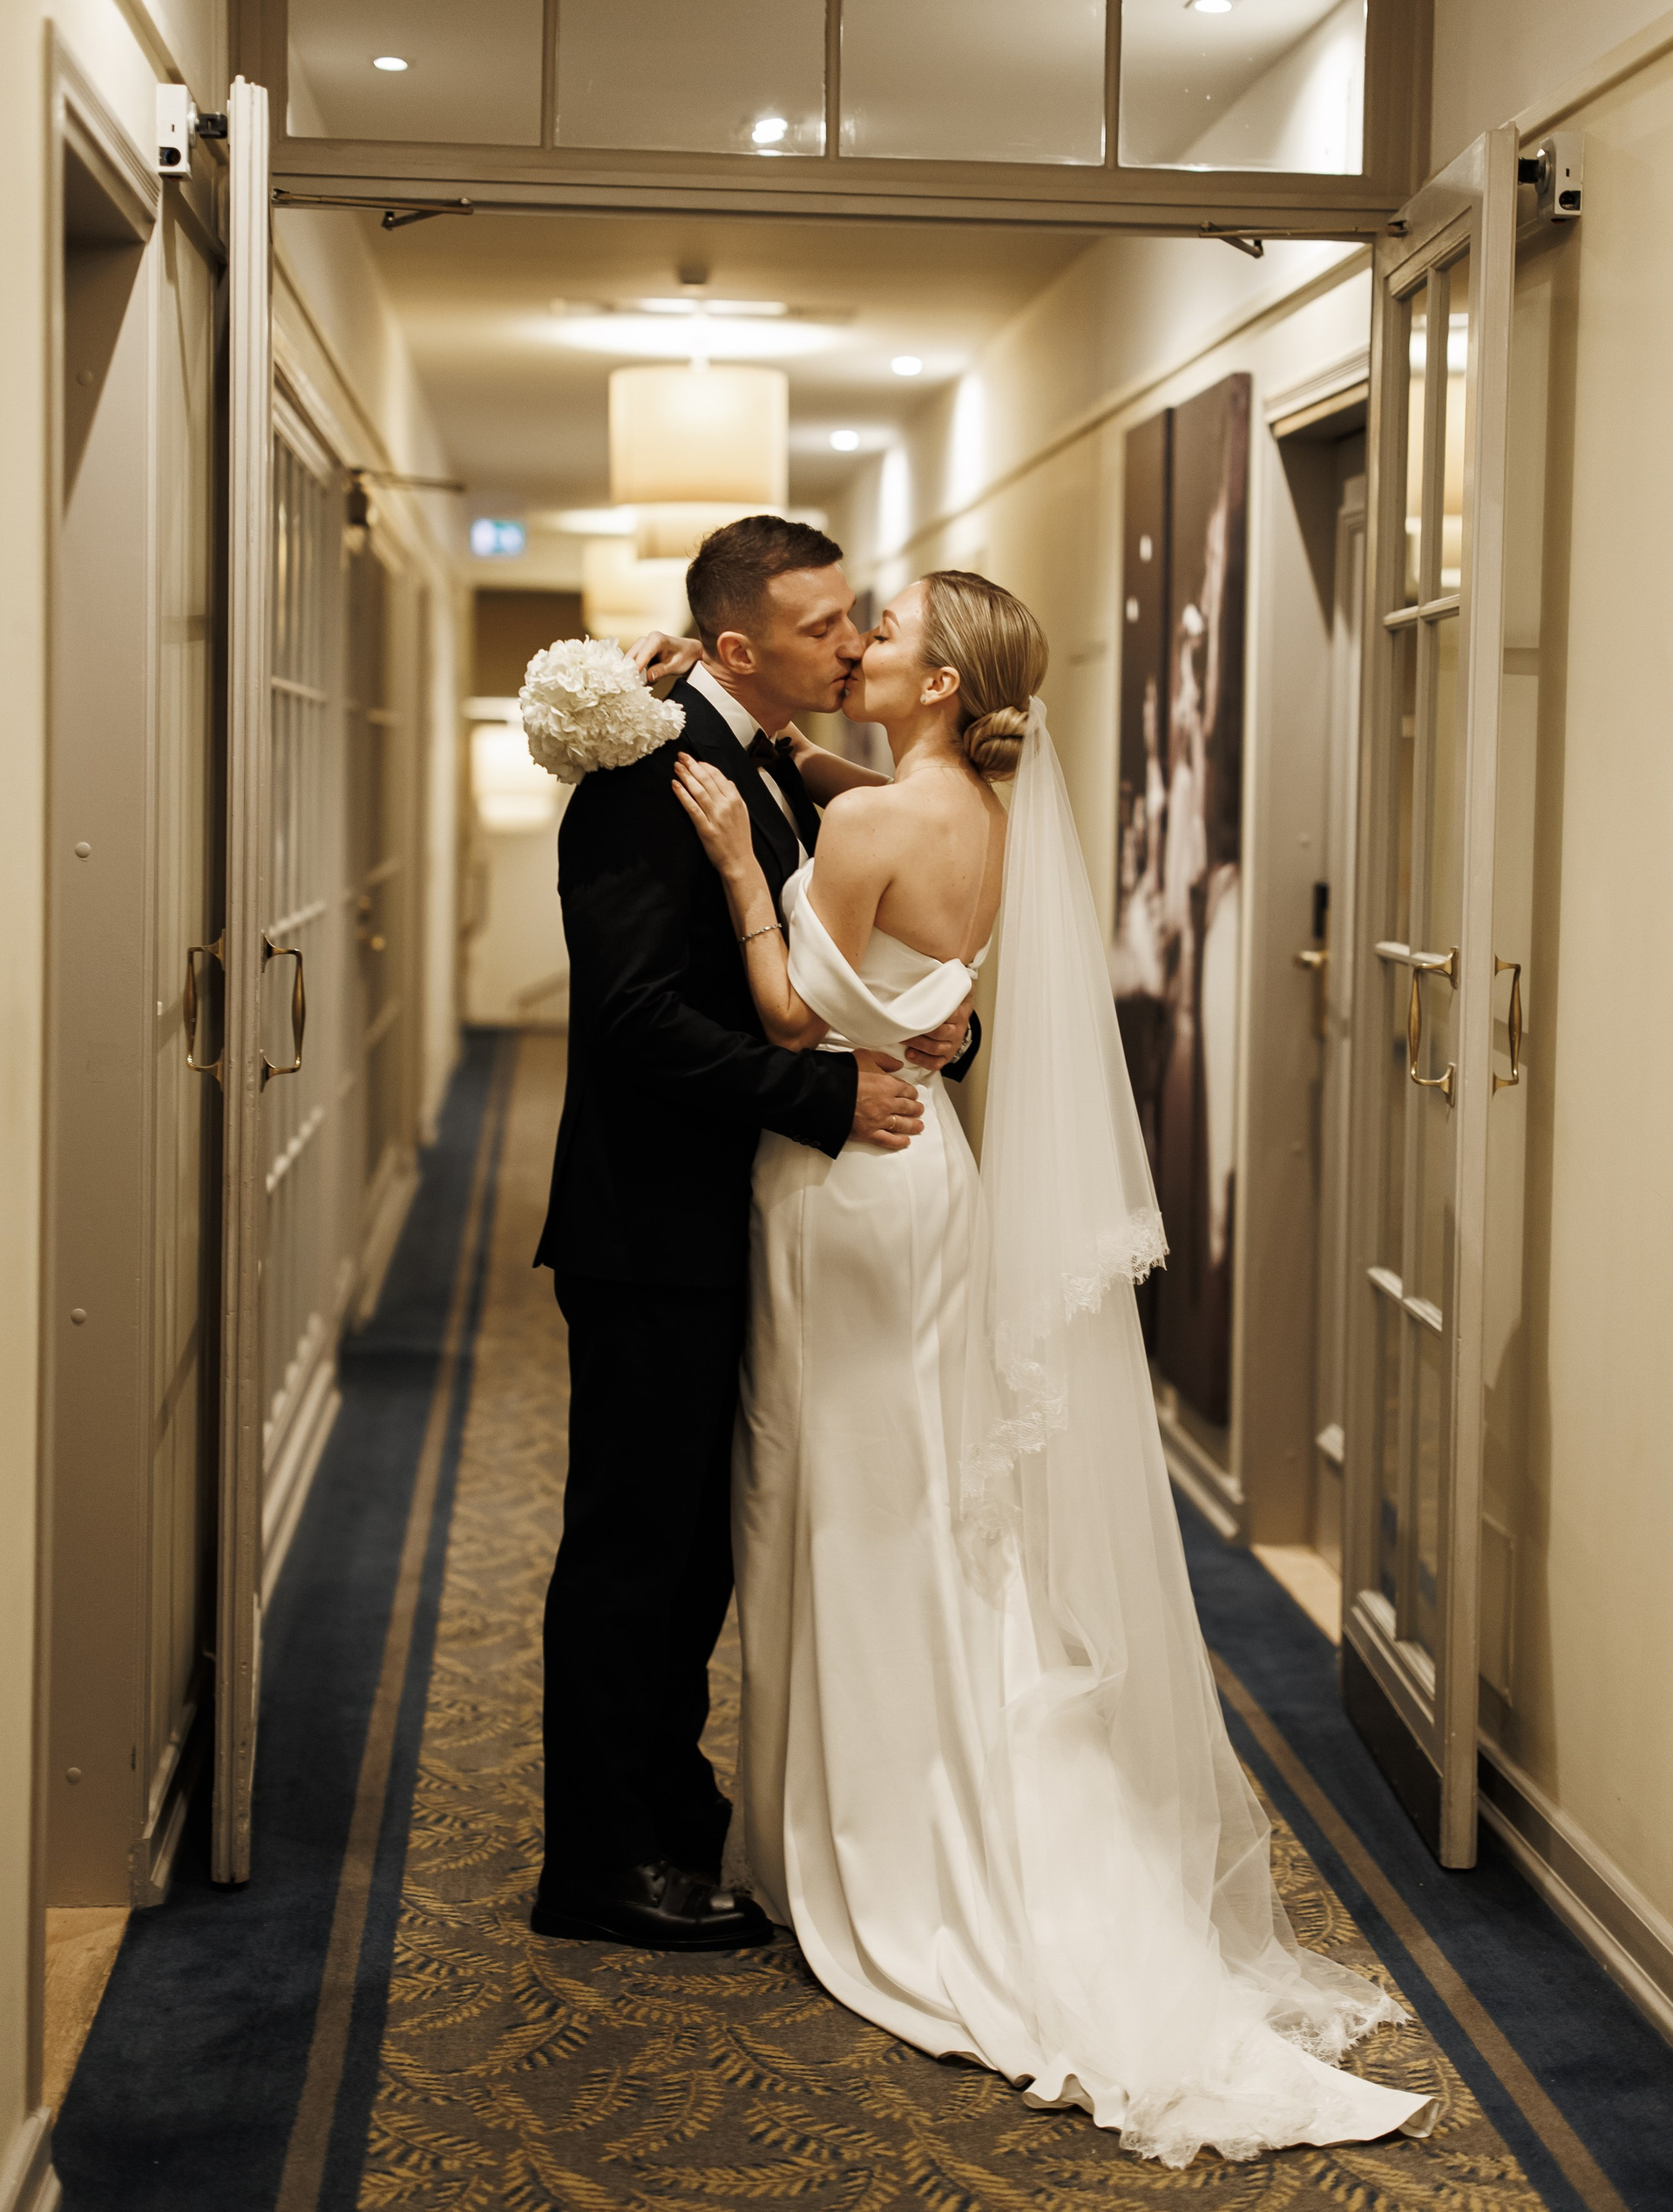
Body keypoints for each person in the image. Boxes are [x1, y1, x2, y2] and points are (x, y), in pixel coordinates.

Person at [669, 567, 1435, 2165]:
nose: (861, 647)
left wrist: (742, 864)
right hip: (931, 1177)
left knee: (846, 1498)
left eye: (887, 635)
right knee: (923, 1496)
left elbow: (792, 1017)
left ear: (945, 683)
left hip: (848, 1191)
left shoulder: (871, 827)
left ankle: (885, 1834)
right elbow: (898, 922)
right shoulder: (982, 811)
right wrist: (792, 766)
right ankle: (930, 1789)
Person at [530, 516, 978, 1953]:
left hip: (747, 1220)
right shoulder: (645, 776)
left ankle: (668, 1802)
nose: (850, 644)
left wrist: (929, 1034)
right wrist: (824, 1097)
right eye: (821, 627)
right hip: (650, 1227)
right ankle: (599, 1861)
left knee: (700, 1556)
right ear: (739, 646)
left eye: (858, 617)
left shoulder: (773, 760)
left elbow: (848, 966)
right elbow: (634, 1019)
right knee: (635, 1553)